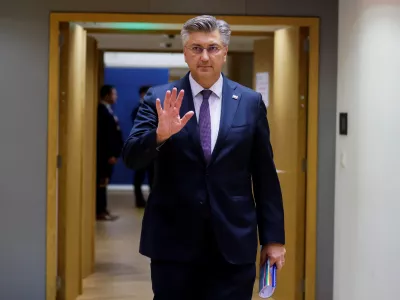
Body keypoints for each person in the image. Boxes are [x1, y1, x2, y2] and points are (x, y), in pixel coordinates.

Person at [122, 15, 286, 300]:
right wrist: (159, 135)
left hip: (233, 243)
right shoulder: (159, 98)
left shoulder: (249, 102)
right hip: (173, 244)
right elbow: (132, 158)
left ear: (224, 52)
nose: (205, 56)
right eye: (196, 48)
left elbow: (264, 175)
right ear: (185, 53)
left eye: (213, 47)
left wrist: (273, 239)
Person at [96, 84, 124, 221]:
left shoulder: (108, 110)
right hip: (105, 156)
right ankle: (100, 210)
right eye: (114, 94)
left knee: (105, 181)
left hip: (111, 154)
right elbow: (105, 136)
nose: (116, 97)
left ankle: (103, 208)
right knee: (101, 181)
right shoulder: (101, 111)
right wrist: (111, 154)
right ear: (107, 95)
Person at [130, 85, 154, 208]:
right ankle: (139, 200)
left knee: (153, 175)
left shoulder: (153, 108)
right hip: (140, 148)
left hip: (153, 148)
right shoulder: (138, 109)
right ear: (143, 94)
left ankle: (153, 200)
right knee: (139, 176)